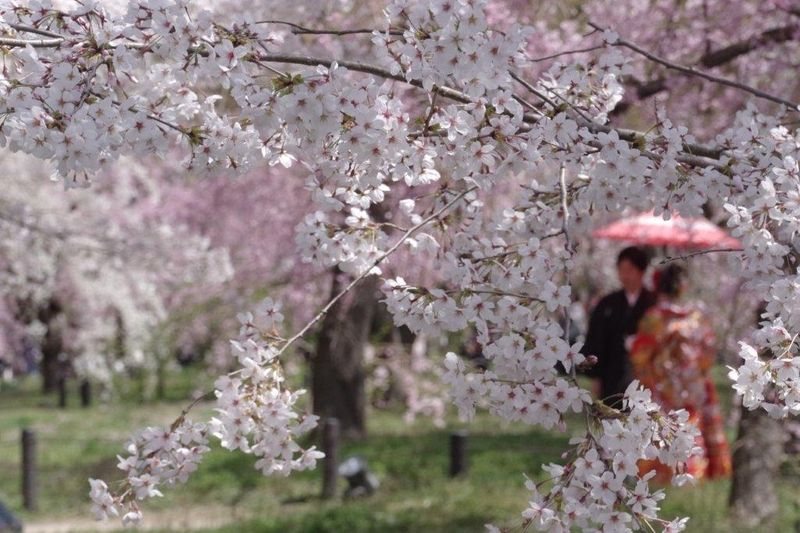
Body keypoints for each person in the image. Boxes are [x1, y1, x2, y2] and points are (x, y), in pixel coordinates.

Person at [630, 264, 732, 482]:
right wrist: (696, 368)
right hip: (692, 381)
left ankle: (659, 475)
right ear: (683, 288)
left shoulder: (654, 318)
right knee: (690, 425)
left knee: (660, 426)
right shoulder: (695, 317)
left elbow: (639, 354)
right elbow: (709, 349)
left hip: (660, 382)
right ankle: (691, 472)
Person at [582, 246, 656, 406]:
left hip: (646, 375)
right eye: (621, 270)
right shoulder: (607, 303)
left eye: (629, 270)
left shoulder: (653, 303)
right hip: (612, 373)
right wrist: (596, 375)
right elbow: (596, 339)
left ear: (641, 271)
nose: (624, 275)